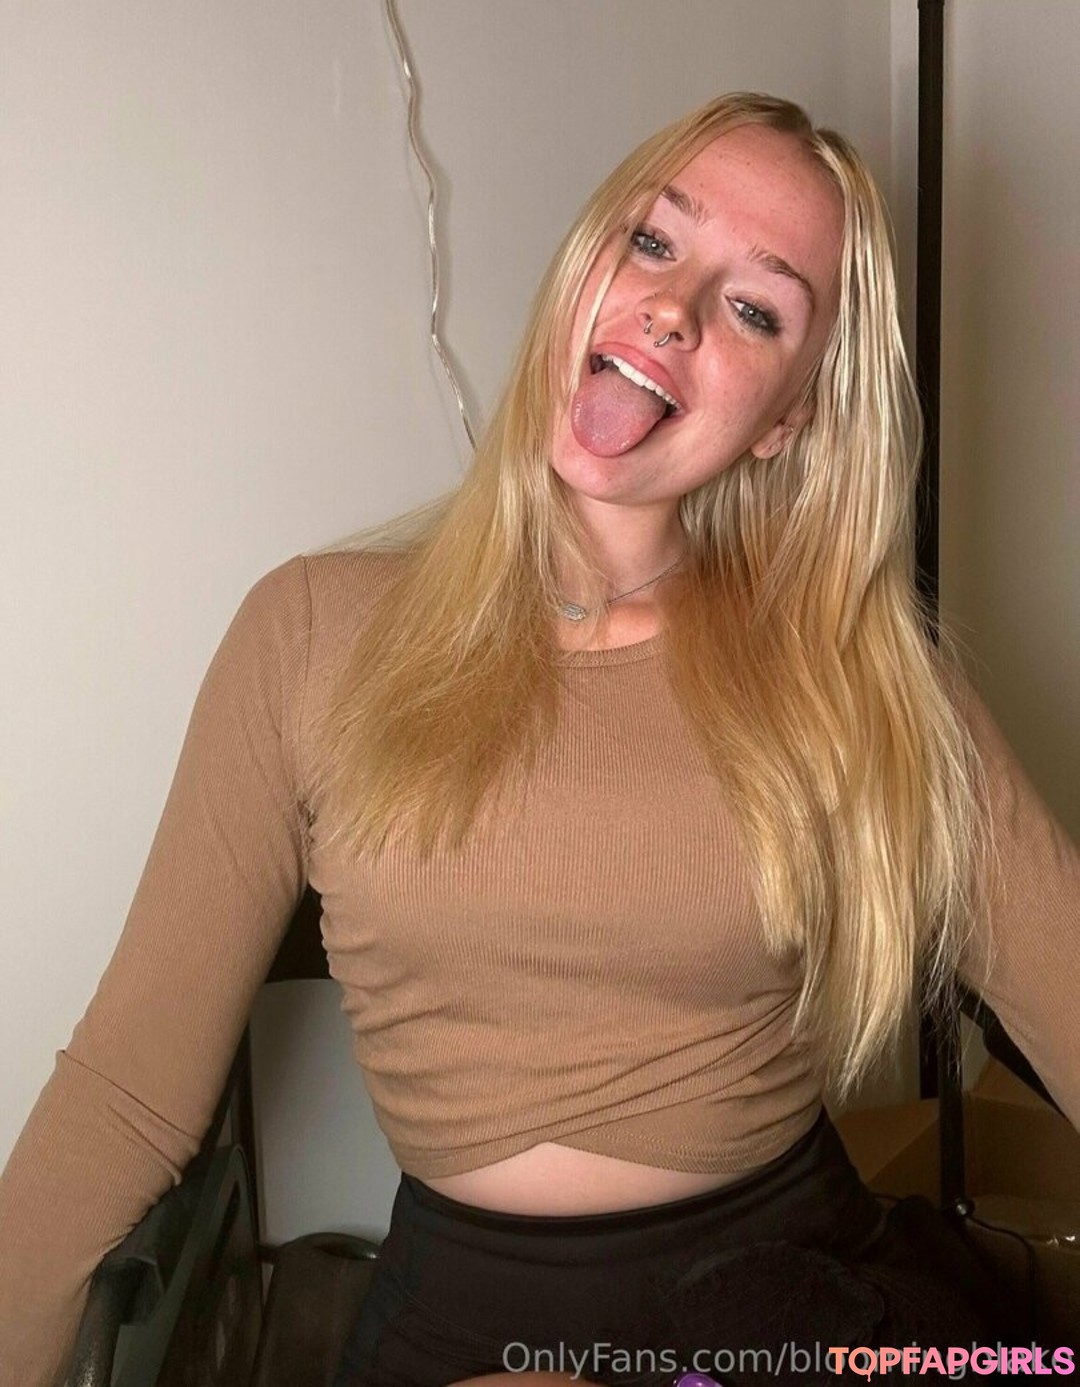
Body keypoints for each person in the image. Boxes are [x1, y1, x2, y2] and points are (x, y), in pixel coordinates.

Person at [0, 91, 1077, 1387]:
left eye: (756, 309)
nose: (673, 308)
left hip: (789, 1306)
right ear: (583, 267)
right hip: (463, 1319)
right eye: (653, 240)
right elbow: (123, 1097)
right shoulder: (307, 634)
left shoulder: (863, 673)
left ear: (788, 417)